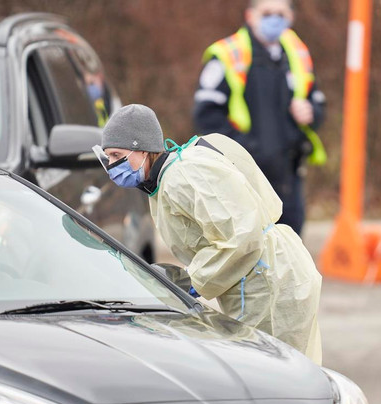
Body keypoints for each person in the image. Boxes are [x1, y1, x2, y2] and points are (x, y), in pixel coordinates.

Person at [94, 104, 323, 364]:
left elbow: (241, 237)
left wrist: (192, 281)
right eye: (107, 157)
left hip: (267, 280)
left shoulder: (183, 176)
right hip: (262, 274)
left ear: (143, 148)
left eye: (116, 155)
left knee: (276, 373)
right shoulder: (167, 178)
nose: (111, 165)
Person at [193, 0, 326, 236]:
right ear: (250, 16)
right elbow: (206, 114)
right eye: (267, 13)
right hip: (245, 177)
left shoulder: (297, 53)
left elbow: (316, 101)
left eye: (280, 14)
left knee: (291, 245)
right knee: (251, 246)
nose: (274, 19)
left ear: (291, 17)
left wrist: (311, 112)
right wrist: (245, 148)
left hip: (289, 175)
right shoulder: (228, 54)